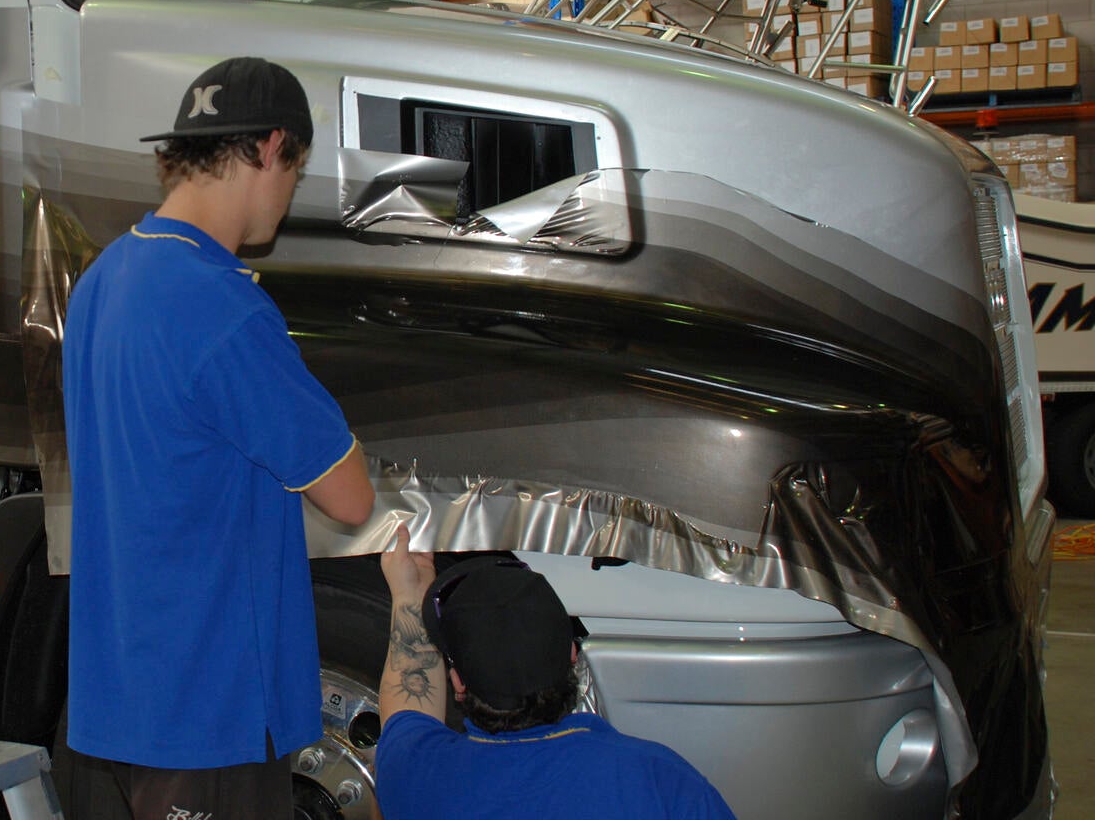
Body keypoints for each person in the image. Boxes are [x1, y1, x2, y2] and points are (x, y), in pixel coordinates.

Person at [62, 56, 376, 818]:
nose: (286, 198)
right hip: (210, 708)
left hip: (122, 696)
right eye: (295, 174)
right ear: (271, 148)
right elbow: (349, 497)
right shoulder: (224, 307)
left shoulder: (105, 278)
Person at [376, 524, 737, 819]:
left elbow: (407, 704)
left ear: (458, 683)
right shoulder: (657, 780)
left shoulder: (414, 777)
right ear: (573, 655)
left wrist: (410, 595)